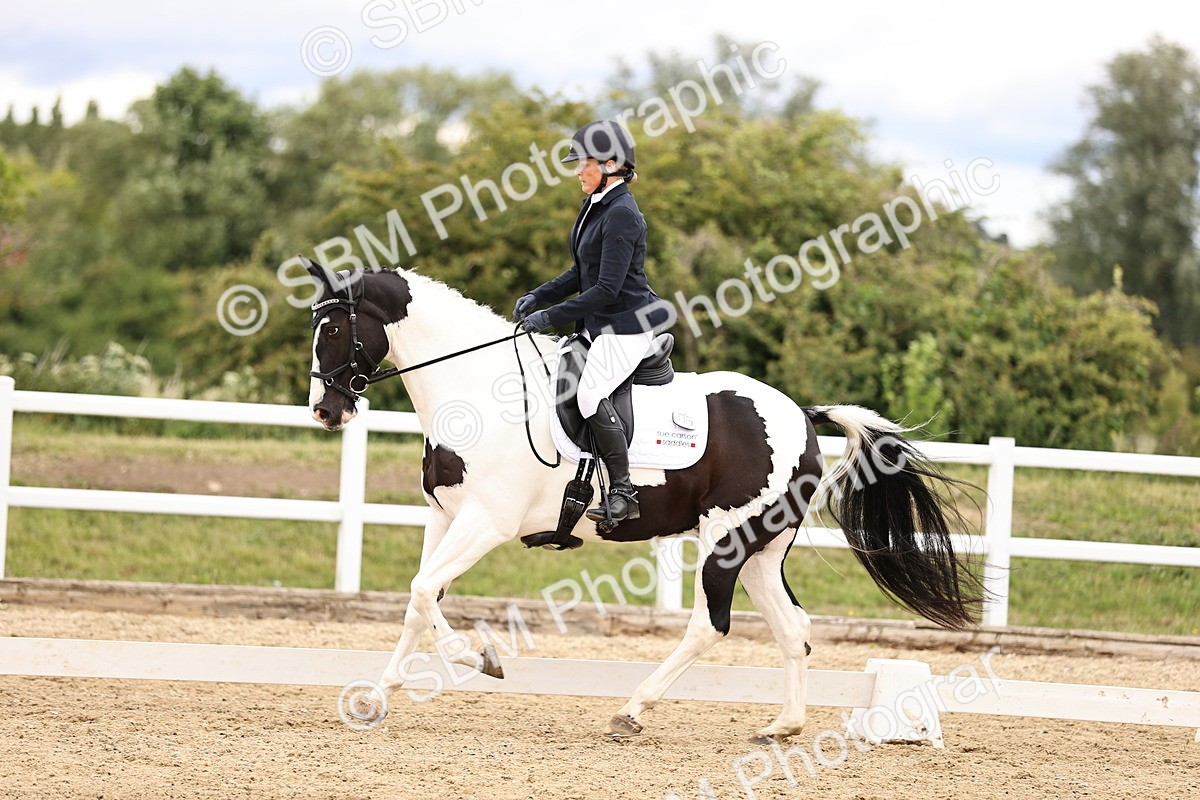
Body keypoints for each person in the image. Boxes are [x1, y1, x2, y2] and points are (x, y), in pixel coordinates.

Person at [513, 120, 670, 527]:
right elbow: (580, 272)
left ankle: (623, 492)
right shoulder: (596, 203)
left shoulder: (623, 214)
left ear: (612, 163)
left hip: (625, 326)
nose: (578, 171)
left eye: (584, 163)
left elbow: (605, 289)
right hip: (597, 324)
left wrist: (549, 317)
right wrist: (540, 295)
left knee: (588, 395)